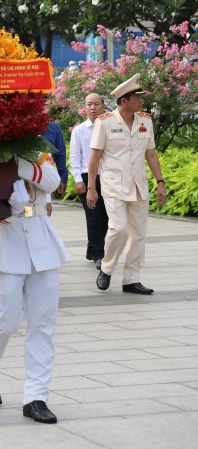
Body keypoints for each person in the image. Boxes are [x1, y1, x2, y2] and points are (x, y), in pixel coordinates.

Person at [0, 154, 68, 425]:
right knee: (6, 320)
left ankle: (36, 397)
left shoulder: (35, 149)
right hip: (5, 238)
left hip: (41, 239)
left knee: (43, 324)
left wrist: (17, 163)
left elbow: (51, 180)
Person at [88, 73, 167, 295]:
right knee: (119, 228)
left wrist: (160, 182)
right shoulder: (105, 123)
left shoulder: (145, 120)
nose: (141, 101)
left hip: (139, 186)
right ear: (124, 100)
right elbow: (94, 157)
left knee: (138, 234)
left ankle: (131, 279)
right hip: (113, 186)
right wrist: (92, 188)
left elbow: (150, 154)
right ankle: (107, 268)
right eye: (137, 98)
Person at [70, 93, 109, 267]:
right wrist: (78, 180)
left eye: (96, 104)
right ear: (84, 108)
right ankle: (99, 254)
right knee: (93, 216)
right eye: (89, 104)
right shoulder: (78, 131)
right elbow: (75, 158)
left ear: (103, 106)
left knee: (106, 218)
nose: (92, 108)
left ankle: (92, 248)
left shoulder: (110, 127)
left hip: (107, 177)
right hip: (86, 178)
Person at [42, 116, 69, 196]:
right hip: (20, 177)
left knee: (45, 207)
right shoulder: (20, 123)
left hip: (45, 176)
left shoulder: (52, 126)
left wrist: (63, 177)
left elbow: (60, 153)